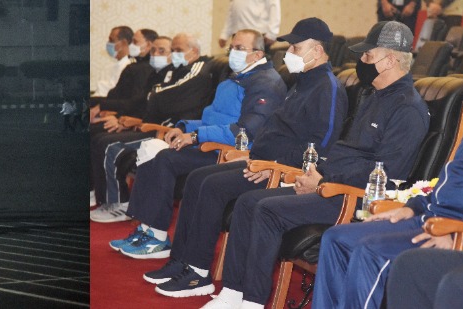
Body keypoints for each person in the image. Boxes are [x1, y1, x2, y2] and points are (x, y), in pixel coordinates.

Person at [111, 16, 347, 297]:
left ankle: (198, 275)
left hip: (283, 172)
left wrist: (274, 165)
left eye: (295, 48)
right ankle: (182, 261)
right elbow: (273, 132)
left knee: (211, 186)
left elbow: (320, 145)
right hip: (259, 161)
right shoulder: (302, 83)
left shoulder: (328, 88)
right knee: (198, 179)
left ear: (317, 51)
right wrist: (250, 155)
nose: (289, 54)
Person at [199, 21, 430, 307]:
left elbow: (386, 173)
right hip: (329, 182)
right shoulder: (375, 96)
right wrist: (317, 174)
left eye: (368, 56)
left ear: (390, 60)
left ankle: (253, 301)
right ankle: (233, 292)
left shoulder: (407, 107)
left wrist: (322, 182)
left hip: (352, 196)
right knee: (248, 202)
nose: (361, 62)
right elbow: (347, 152)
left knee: (267, 210)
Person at [313, 23, 463, 309]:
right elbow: (452, 183)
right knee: (337, 239)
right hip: (429, 217)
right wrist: (413, 206)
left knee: (370, 251)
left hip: (462, 227)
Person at [93, 29, 287, 224]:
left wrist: (196, 136)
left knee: (164, 158)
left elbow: (244, 131)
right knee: (150, 150)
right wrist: (184, 127)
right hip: (211, 140)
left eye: (239, 48)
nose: (233, 52)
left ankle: (155, 233)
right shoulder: (232, 80)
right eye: (232, 47)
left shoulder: (265, 83)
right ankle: (144, 228)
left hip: (228, 150)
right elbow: (211, 119)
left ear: (258, 54)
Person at [94, 26, 137, 97]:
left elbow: (116, 93)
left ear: (124, 43)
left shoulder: (128, 65)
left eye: (111, 40)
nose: (108, 43)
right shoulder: (120, 64)